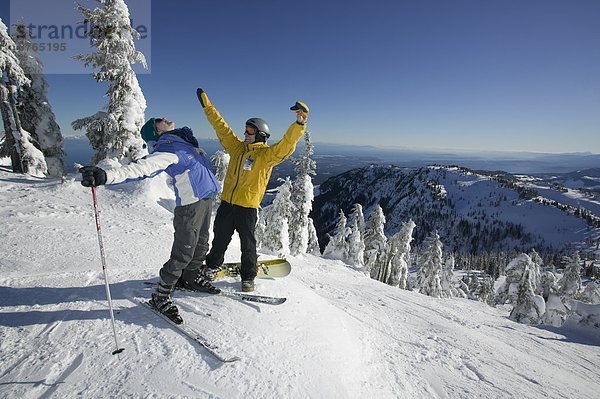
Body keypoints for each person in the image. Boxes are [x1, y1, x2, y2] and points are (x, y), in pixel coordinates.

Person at [80, 118, 220, 324]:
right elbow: (140, 168)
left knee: (201, 243)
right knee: (184, 250)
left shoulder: (184, 143)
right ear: (156, 133)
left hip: (205, 200)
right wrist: (106, 175)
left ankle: (190, 277)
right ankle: (161, 295)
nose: (164, 119)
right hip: (190, 207)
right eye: (158, 121)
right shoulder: (167, 150)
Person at [195, 88, 309, 292]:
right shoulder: (237, 148)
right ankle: (211, 267)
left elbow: (286, 145)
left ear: (260, 134)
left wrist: (299, 124)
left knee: (248, 244)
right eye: (245, 130)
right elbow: (221, 128)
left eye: (249, 131)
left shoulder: (266, 156)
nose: (245, 134)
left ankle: (248, 277)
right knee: (219, 238)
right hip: (227, 203)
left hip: (247, 208)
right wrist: (208, 107)